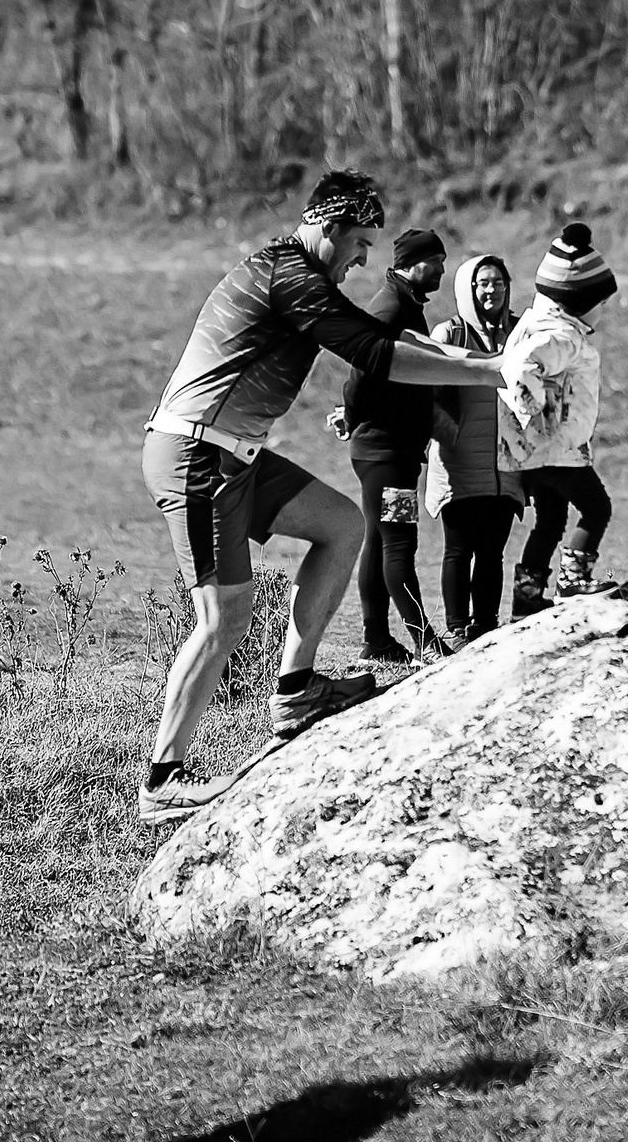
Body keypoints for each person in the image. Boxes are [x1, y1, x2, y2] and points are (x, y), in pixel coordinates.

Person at [138, 169, 508, 825]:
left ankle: (297, 690)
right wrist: (494, 370)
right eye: (361, 243)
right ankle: (163, 780)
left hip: (235, 455)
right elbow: (376, 355)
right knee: (224, 618)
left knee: (341, 527)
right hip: (198, 455)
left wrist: (479, 368)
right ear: (330, 228)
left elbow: (386, 344)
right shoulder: (291, 279)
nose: (364, 259)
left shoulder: (302, 276)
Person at [334, 226, 451, 662]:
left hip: (387, 451)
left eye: (442, 261)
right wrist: (353, 416)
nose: (440, 269)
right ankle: (425, 643)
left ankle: (377, 640)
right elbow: (359, 371)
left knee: (381, 540)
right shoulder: (391, 309)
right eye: (433, 261)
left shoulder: (404, 303)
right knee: (399, 542)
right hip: (386, 453)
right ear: (409, 264)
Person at [500, 223, 620, 617]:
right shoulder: (562, 336)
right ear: (578, 300)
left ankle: (526, 599)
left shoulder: (538, 324)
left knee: (550, 521)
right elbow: (520, 368)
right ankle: (573, 581)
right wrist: (535, 407)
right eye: (600, 301)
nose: (603, 309)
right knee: (596, 508)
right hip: (558, 449)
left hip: (533, 451)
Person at [427, 253, 523, 642]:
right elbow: (429, 396)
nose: (491, 291)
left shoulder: (520, 332)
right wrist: (448, 436)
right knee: (458, 549)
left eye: (498, 283)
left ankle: (485, 627)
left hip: (505, 464)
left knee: (492, 551)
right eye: (483, 283)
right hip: (458, 461)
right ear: (468, 289)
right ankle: (456, 629)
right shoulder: (449, 334)